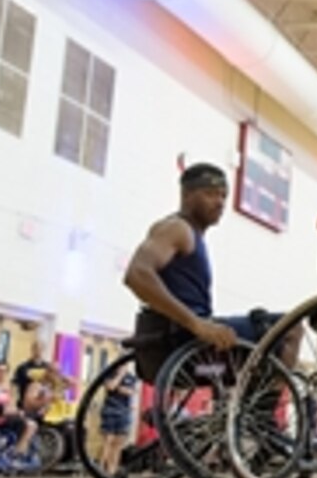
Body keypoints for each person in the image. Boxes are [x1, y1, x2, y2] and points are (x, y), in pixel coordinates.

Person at [124, 163, 295, 383]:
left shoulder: (191, 235)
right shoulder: (177, 229)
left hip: (198, 360)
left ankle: (245, 410)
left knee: (255, 358)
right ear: (186, 195)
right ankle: (260, 413)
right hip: (182, 345)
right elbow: (137, 275)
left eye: (223, 196)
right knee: (289, 328)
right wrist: (197, 324)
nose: (220, 202)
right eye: (210, 194)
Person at [0, 360, 38, 469]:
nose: (2, 374)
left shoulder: (8, 389)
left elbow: (12, 406)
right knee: (26, 425)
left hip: (6, 418)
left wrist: (17, 411)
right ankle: (15, 454)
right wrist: (0, 411)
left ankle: (18, 453)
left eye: (5, 372)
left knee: (30, 423)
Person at [98, 367, 137, 476]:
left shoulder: (131, 377)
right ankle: (100, 468)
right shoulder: (109, 373)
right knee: (108, 441)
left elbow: (131, 392)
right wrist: (120, 376)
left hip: (124, 411)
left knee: (119, 443)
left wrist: (120, 388)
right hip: (110, 410)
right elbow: (110, 387)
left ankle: (113, 469)